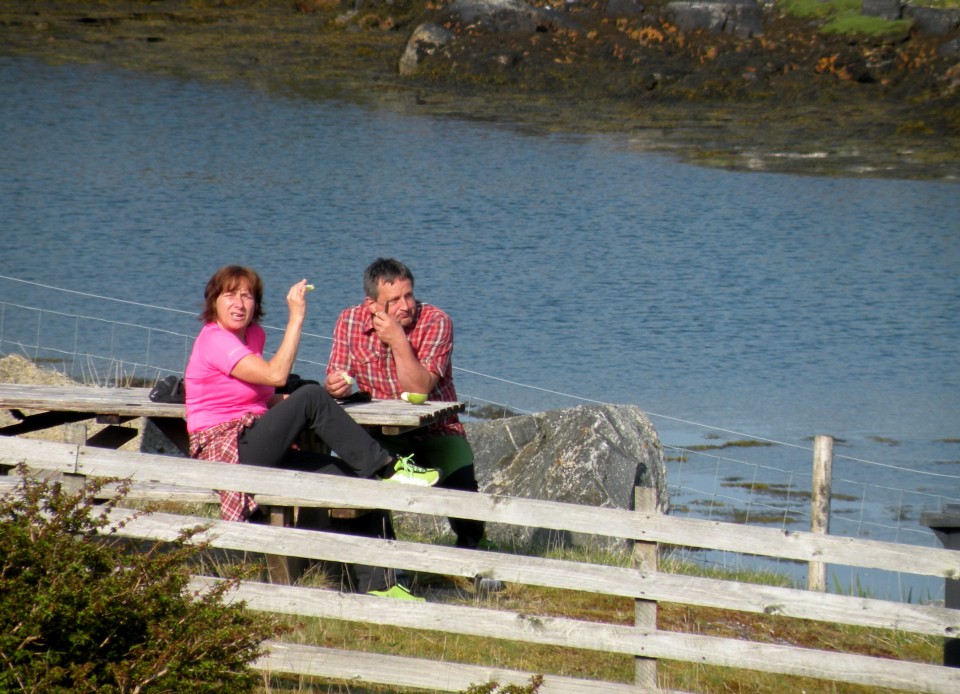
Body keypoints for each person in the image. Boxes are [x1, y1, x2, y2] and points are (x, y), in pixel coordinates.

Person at [184, 265, 440, 601]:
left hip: (254, 440)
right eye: (230, 295)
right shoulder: (215, 339)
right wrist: (297, 317)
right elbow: (276, 375)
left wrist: (294, 404)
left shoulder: (253, 335)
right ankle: (389, 466)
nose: (239, 303)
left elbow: (262, 393)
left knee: (357, 478)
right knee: (312, 396)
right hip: (225, 450)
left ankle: (382, 585)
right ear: (213, 302)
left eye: (247, 295)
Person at [325, 258, 485, 550]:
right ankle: (386, 560)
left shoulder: (436, 321)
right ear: (372, 305)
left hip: (437, 431)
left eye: (409, 295)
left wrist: (398, 341)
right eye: (395, 299)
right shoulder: (350, 321)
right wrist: (336, 384)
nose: (406, 305)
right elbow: (336, 376)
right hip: (379, 435)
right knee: (356, 485)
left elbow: (420, 387)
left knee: (464, 497)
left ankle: (472, 555)